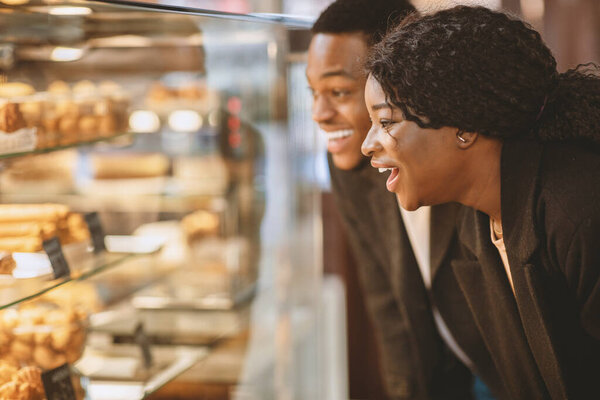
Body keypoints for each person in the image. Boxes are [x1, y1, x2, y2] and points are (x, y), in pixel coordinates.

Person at [362, 6, 600, 399]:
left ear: (465, 126)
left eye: (386, 122)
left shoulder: (578, 212)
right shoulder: (477, 224)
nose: (367, 145)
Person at [307, 1, 477, 398]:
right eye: (312, 91)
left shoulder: (465, 151)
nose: (318, 113)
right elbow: (391, 311)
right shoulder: (347, 165)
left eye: (338, 91)